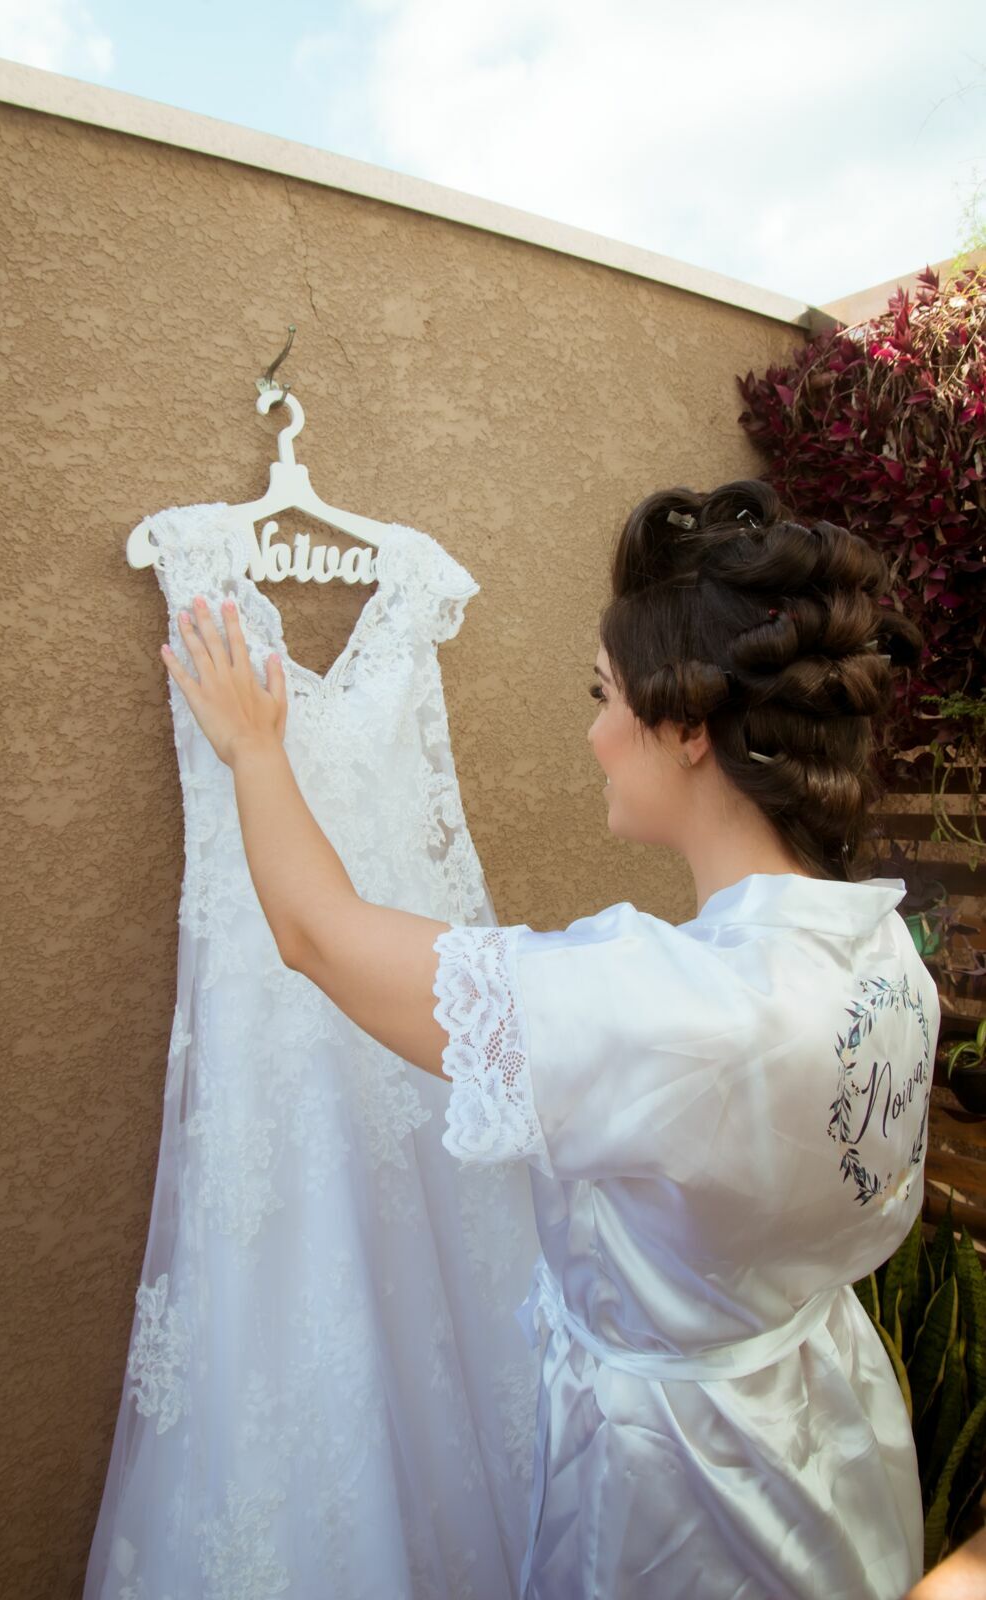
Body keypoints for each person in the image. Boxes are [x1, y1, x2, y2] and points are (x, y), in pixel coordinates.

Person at [157, 476, 940, 1600]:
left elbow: (319, 936)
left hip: (692, 1492)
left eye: (603, 694)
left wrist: (255, 750)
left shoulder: (672, 1008)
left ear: (687, 729)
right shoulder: (882, 948)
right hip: (832, 1430)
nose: (592, 733)